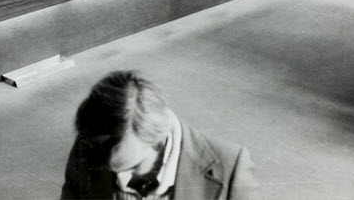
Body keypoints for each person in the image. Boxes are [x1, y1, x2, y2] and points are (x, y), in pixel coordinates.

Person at [61, 70, 258, 199]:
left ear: (158, 140)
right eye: (112, 170)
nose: (120, 178)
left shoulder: (231, 168)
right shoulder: (91, 146)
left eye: (134, 166)